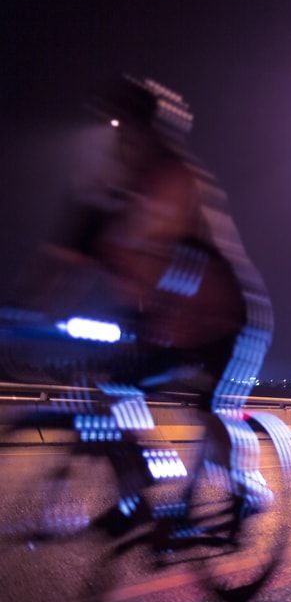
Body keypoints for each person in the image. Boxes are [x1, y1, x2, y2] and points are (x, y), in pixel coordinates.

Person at [30, 75, 273, 533]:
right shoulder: (105, 198)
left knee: (210, 406)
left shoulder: (177, 179)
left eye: (137, 131)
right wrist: (24, 312)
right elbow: (59, 263)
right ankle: (138, 487)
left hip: (226, 320)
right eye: (122, 131)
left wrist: (162, 307)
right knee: (109, 388)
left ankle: (245, 486)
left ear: (154, 134)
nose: (127, 141)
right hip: (167, 324)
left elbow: (192, 256)